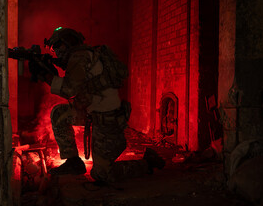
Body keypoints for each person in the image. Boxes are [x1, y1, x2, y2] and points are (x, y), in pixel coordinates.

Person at [29, 27, 165, 183]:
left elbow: (68, 89)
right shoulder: (86, 54)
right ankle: (73, 162)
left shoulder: (80, 57)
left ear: (67, 43)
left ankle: (147, 163)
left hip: (107, 121)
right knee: (59, 113)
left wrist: (44, 74)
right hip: (93, 114)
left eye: (58, 47)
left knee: (102, 174)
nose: (57, 51)